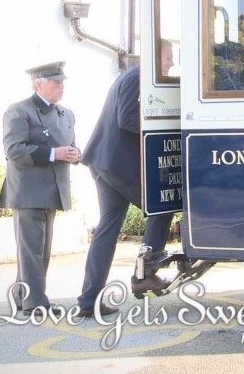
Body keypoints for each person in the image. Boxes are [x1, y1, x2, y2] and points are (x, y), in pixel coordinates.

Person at [76, 44, 175, 317]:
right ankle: (144, 274)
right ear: (156, 57)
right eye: (168, 58)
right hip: (116, 165)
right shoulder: (137, 77)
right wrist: (163, 126)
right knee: (161, 206)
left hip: (105, 163)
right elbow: (127, 119)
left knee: (107, 229)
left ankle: (88, 300)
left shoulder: (131, 76)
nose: (170, 63)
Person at [0, 61, 80, 317]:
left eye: (62, 81)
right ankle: (35, 303)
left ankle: (21, 296)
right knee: (32, 250)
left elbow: (70, 146)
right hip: (28, 191)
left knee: (39, 251)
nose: (61, 86)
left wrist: (74, 154)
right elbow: (13, 150)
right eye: (56, 82)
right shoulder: (19, 111)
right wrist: (53, 153)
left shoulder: (65, 114)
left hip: (52, 189)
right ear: (39, 84)